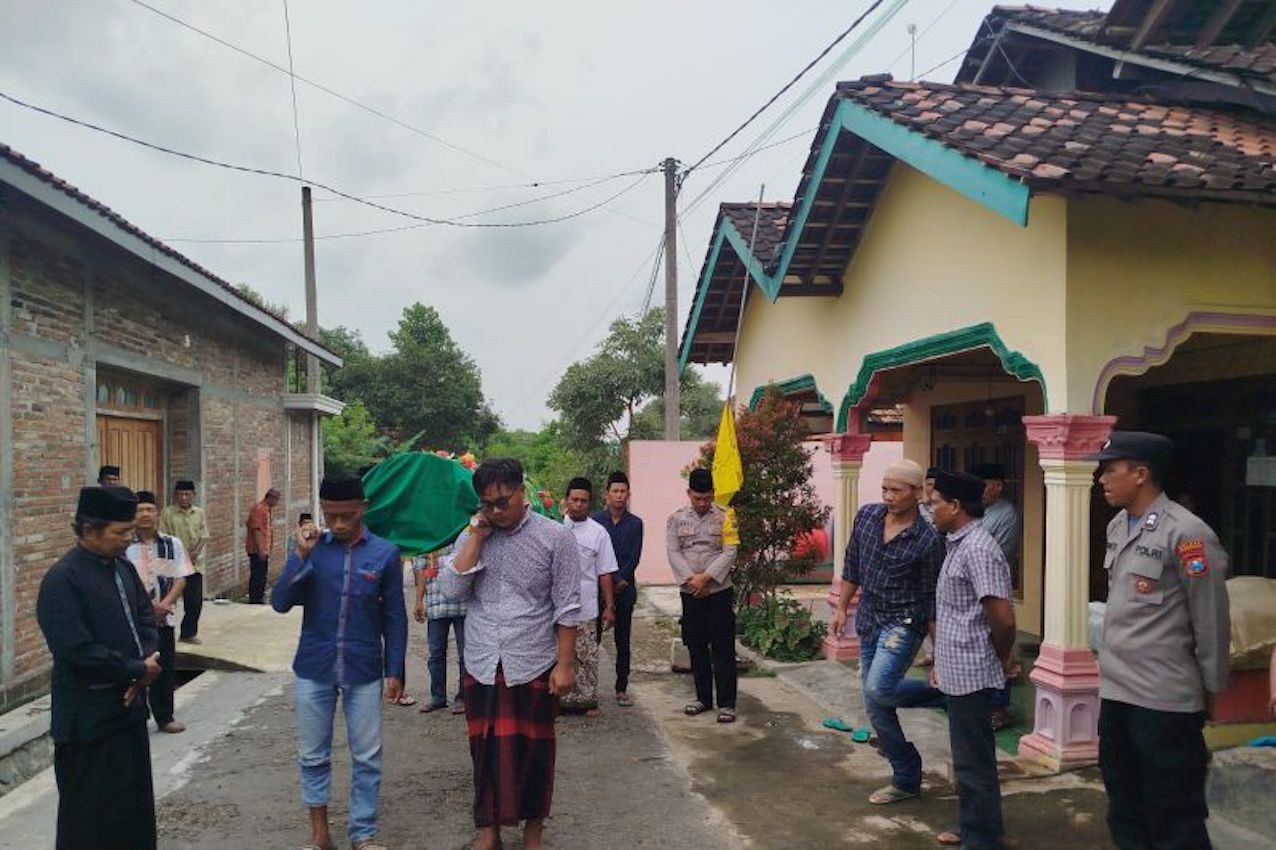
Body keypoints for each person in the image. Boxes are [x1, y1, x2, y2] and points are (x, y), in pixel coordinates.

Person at [1095, 431, 1231, 850]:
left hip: (1165, 699)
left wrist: (1212, 692)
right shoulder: (1119, 525)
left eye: (1110, 469)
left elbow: (1210, 619)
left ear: (1140, 474)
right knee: (1124, 803)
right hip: (1117, 692)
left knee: (1174, 812)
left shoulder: (1187, 533)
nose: (1101, 478)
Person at [440, 457, 581, 850]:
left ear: (523, 491)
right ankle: (490, 832)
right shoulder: (473, 533)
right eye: (488, 503)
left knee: (534, 750)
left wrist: (565, 665)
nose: (496, 511)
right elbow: (452, 591)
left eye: (503, 501)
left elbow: (567, 605)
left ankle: (532, 832)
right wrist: (478, 536)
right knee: (483, 750)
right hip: (483, 659)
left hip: (532, 658)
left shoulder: (555, 537)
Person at [270, 476, 408, 850]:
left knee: (367, 754)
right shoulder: (312, 550)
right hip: (314, 666)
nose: (339, 524)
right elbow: (280, 602)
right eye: (331, 516)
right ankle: (319, 834)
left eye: (347, 516)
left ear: (363, 507)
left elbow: (395, 616)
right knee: (313, 753)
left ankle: (362, 834)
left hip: (363, 667)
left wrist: (395, 670)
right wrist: (298, 556)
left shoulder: (385, 554)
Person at [37, 485, 162, 850]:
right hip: (87, 722)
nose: (127, 540)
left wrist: (147, 661)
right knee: (89, 819)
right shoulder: (63, 580)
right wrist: (133, 669)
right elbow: (76, 650)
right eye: (120, 533)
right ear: (89, 529)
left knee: (132, 811)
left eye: (130, 532)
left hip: (129, 713)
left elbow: (146, 616)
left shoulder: (122, 569)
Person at [830, 459, 945, 805]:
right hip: (869, 618)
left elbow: (931, 599)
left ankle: (945, 695)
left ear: (917, 493)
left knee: (879, 687)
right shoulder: (867, 516)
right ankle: (906, 777)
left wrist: (938, 653)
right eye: (885, 488)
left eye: (896, 490)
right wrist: (840, 608)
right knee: (876, 706)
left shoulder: (927, 539)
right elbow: (852, 564)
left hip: (904, 622)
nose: (888, 496)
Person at [928, 470, 1016, 850]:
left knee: (974, 763)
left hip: (973, 670)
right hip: (956, 669)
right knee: (966, 760)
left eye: (934, 503)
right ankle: (974, 828)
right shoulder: (955, 544)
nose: (930, 509)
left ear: (956, 506)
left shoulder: (979, 548)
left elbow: (1003, 617)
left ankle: (983, 840)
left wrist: (998, 656)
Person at [668, 468, 738, 723]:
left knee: (722, 646)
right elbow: (673, 551)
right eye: (697, 498)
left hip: (718, 590)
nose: (702, 503)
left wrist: (706, 578)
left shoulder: (726, 516)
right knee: (696, 645)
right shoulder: (676, 519)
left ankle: (727, 703)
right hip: (691, 592)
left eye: (706, 498)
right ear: (689, 493)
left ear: (713, 494)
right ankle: (703, 698)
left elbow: (730, 551)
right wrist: (692, 580)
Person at [127, 491, 193, 734]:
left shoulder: (172, 544)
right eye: (139, 510)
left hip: (165, 618)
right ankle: (137, 717)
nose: (145, 515)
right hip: (135, 621)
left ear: (157, 513)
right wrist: (148, 608)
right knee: (136, 667)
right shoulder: (125, 545)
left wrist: (164, 605)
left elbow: (182, 577)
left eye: (149, 510)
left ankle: (165, 717)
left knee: (164, 669)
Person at [560, 477, 618, 715]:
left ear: (590, 503)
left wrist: (609, 606)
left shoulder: (599, 533)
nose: (579, 504)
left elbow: (604, 572)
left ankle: (586, 700)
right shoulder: (555, 529)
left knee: (586, 654)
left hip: (587, 605)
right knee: (560, 653)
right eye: (574, 500)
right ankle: (560, 699)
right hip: (559, 605)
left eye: (584, 501)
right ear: (566, 500)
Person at [592, 470, 644, 707]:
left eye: (623, 491)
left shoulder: (636, 524)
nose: (619, 496)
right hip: (598, 590)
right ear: (607, 494)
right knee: (593, 640)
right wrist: (612, 579)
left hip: (626, 589)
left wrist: (622, 579)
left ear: (628, 494)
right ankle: (588, 688)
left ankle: (621, 687)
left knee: (623, 641)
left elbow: (634, 557)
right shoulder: (595, 522)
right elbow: (594, 556)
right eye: (615, 491)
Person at [413, 549, 467, 714]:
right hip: (436, 605)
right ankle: (438, 698)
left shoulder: (462, 534)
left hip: (463, 605)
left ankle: (464, 698)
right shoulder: (427, 541)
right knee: (435, 654)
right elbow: (422, 572)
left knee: (465, 655)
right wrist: (418, 601)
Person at [159, 480, 209, 644]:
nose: (184, 497)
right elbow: (164, 536)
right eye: (180, 494)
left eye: (187, 494)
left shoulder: (199, 513)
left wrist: (195, 552)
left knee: (194, 602)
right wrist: (182, 555)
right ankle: (163, 634)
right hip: (174, 564)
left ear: (193, 495)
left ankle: (188, 633)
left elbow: (204, 535)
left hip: (195, 564)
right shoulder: (167, 513)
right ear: (175, 496)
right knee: (168, 600)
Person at [245, 487, 279, 604]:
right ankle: (255, 598)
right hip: (257, 549)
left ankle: (258, 596)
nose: (277, 503)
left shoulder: (266, 509)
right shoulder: (259, 509)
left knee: (261, 574)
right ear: (270, 498)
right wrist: (261, 549)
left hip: (263, 549)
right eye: (276, 500)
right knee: (257, 575)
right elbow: (256, 530)